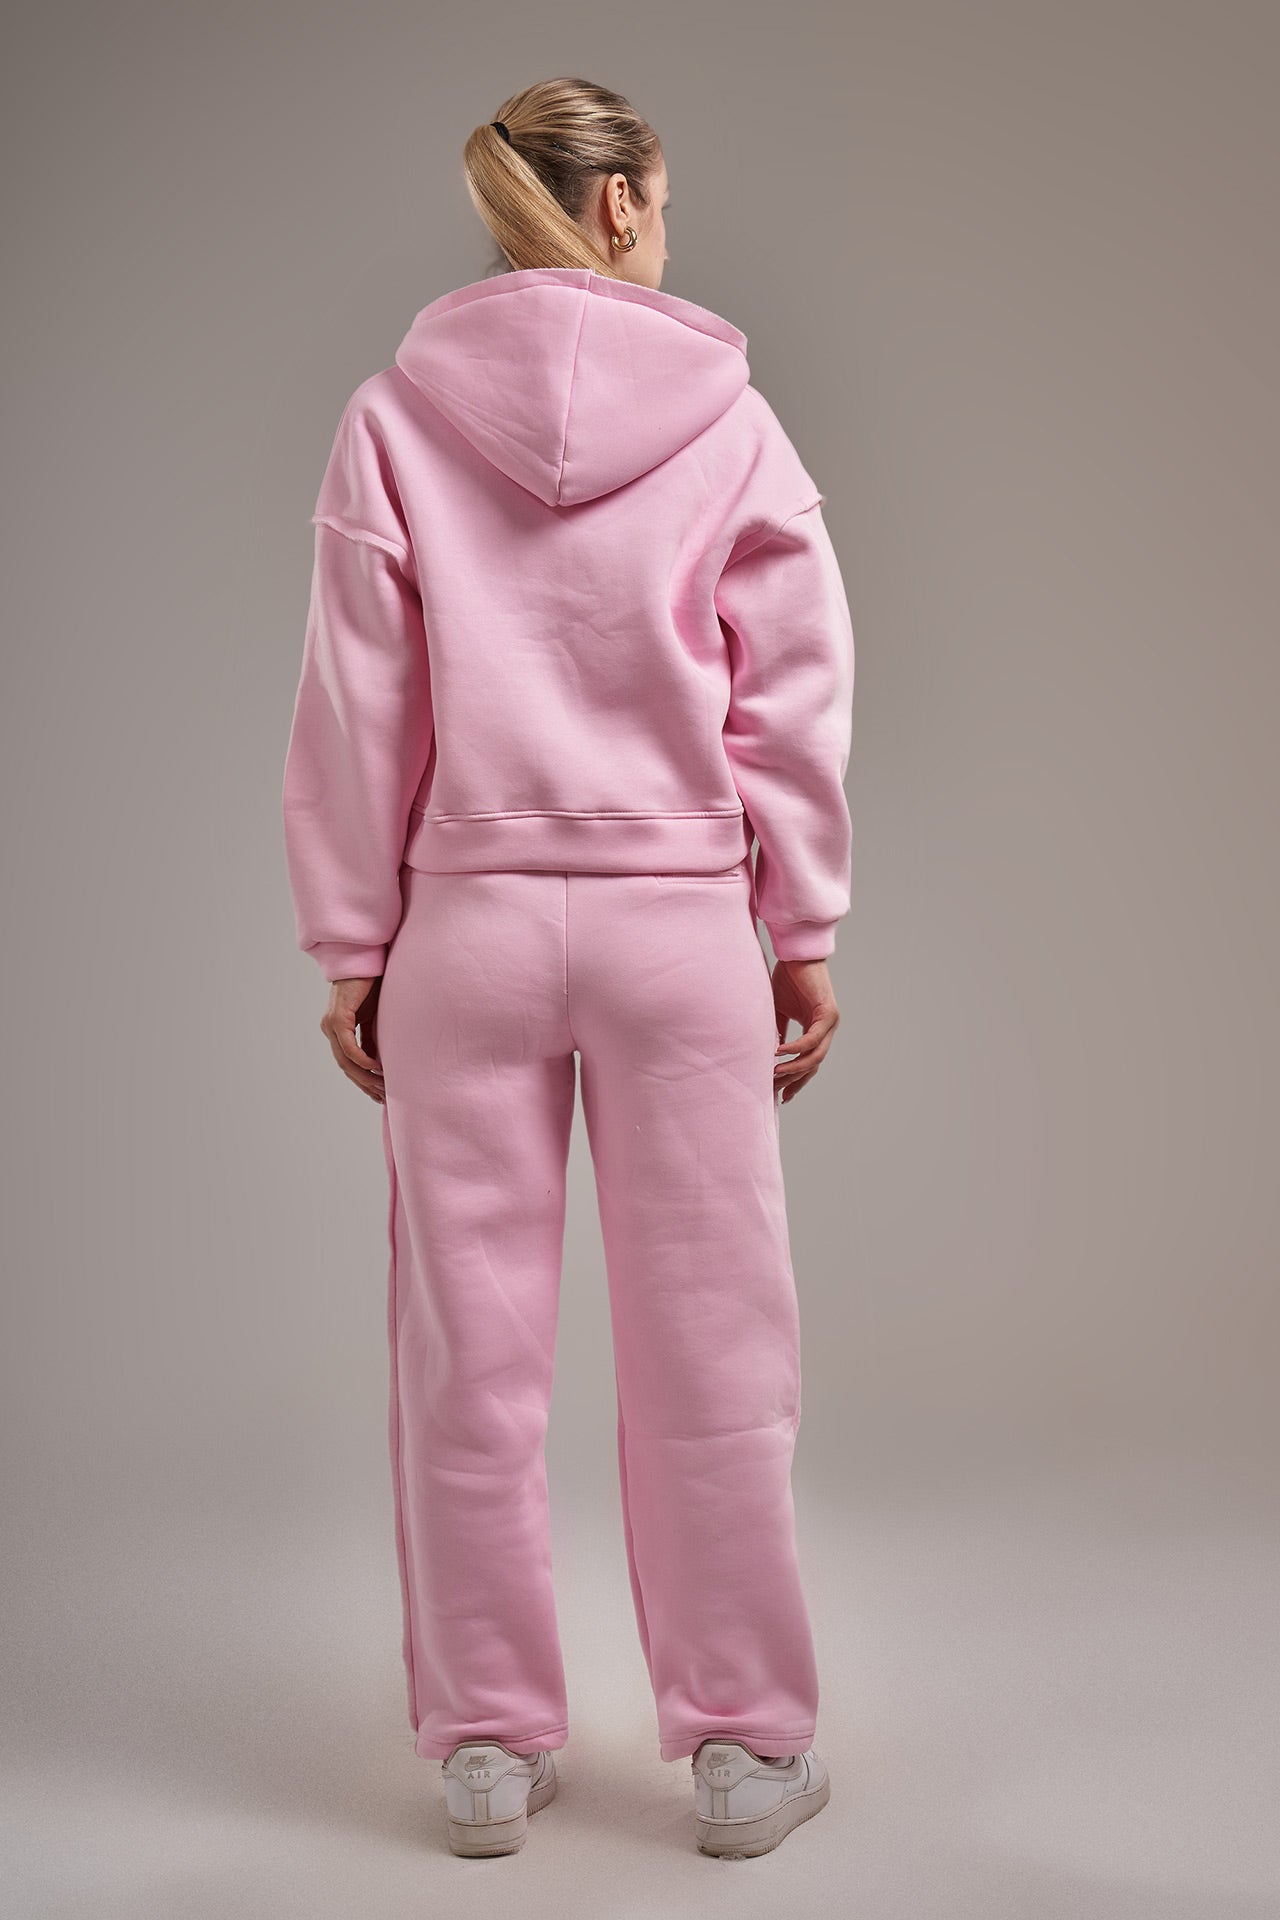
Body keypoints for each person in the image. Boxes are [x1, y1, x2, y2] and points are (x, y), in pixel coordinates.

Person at [282, 75, 855, 1860]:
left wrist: (353, 939)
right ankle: (745, 1747)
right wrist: (803, 923)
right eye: (659, 207)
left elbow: (357, 701)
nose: (665, 235)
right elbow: (791, 692)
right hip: (678, 924)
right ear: (618, 207)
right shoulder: (731, 421)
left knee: (470, 1355)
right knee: (715, 1351)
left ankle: (483, 1745)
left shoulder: (392, 418)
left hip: (464, 925)